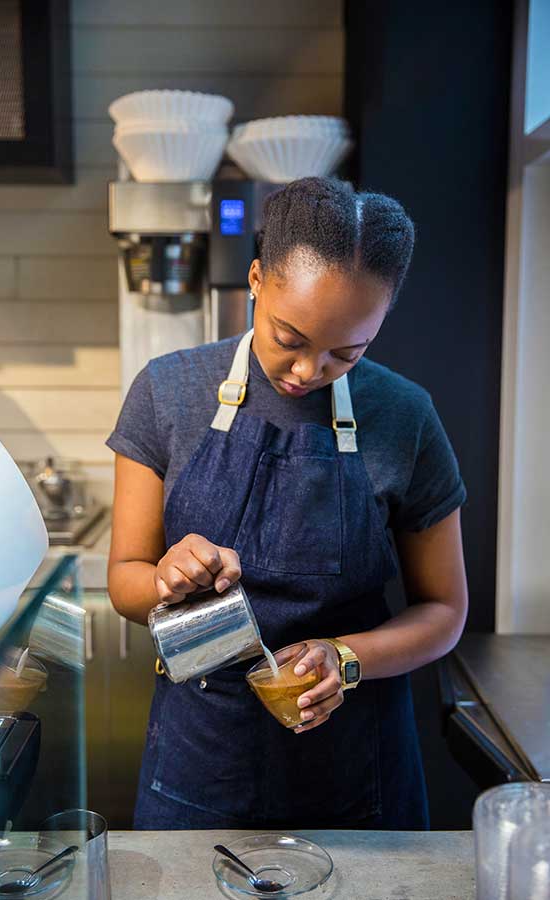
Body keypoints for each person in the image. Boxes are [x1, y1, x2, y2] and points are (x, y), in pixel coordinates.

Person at [106, 176, 468, 831]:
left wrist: (348, 658)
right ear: (255, 278)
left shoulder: (405, 416)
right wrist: (165, 577)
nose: (308, 371)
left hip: (357, 770)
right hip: (198, 764)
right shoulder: (168, 391)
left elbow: (444, 610)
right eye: (290, 337)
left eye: (345, 354)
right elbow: (125, 580)